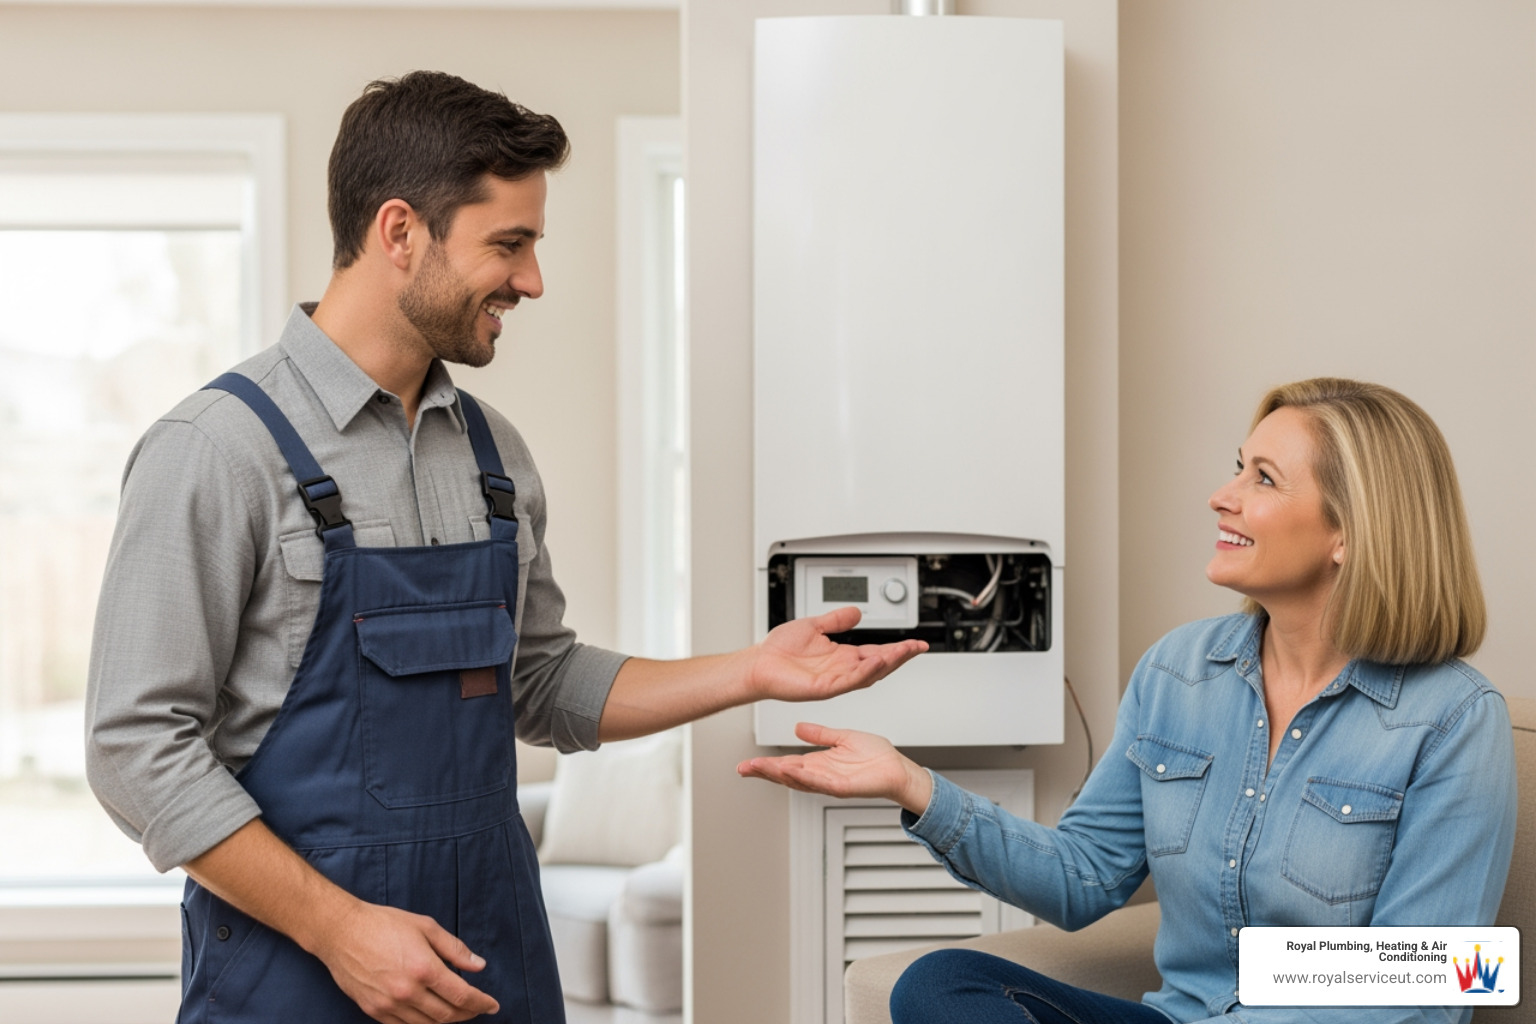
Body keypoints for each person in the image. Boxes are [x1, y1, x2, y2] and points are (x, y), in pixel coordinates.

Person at [85, 71, 925, 1024]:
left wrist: (753, 672)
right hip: (295, 976)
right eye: (509, 244)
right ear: (400, 233)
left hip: (493, 958)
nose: (531, 280)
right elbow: (134, 746)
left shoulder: (495, 457)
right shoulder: (215, 450)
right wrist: (339, 930)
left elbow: (540, 681)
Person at [739, 378, 1517, 1024]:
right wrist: (912, 784)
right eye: (1237, 467)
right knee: (939, 985)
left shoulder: (1453, 719)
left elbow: (1432, 983)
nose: (1222, 496)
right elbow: (1083, 878)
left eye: (1263, 479)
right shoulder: (1177, 672)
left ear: (1350, 532)